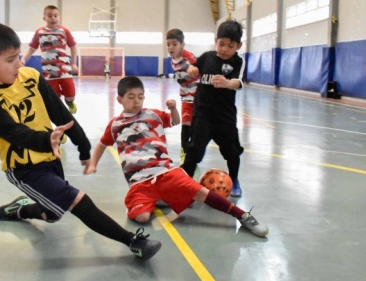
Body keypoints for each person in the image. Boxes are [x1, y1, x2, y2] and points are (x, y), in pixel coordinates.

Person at [0, 21, 161, 261]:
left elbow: (60, 113)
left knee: (53, 214)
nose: (19, 63)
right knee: (77, 200)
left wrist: (82, 144)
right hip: (23, 168)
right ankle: (133, 242)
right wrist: (45, 139)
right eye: (10, 60)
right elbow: (13, 132)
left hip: (50, 157)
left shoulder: (30, 76)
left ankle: (19, 209)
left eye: (19, 56)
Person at [84, 76, 268, 237]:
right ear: (119, 99)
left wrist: (173, 109)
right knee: (141, 218)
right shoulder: (115, 124)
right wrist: (93, 163)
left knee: (201, 192)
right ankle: (160, 197)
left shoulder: (153, 114)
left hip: (166, 171)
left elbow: (175, 121)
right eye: (131, 97)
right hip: (138, 182)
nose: (136, 102)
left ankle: (242, 215)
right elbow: (102, 144)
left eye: (140, 97)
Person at [180, 19, 245, 198]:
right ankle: (184, 181)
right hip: (203, 114)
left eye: (230, 46)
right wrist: (192, 69)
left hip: (225, 116)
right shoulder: (207, 56)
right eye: (221, 44)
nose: (224, 49)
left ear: (238, 45)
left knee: (232, 150)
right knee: (193, 149)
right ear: (216, 41)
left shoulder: (237, 62)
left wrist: (227, 83)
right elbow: (194, 66)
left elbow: (238, 82)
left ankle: (235, 179)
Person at [22, 5, 79, 114]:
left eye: (55, 15)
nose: (53, 18)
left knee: (70, 94)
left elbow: (73, 47)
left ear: (59, 17)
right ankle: (61, 116)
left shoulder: (64, 31)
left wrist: (73, 63)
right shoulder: (39, 32)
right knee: (54, 98)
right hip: (49, 72)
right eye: (50, 16)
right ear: (44, 18)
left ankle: (69, 102)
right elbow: (32, 48)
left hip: (64, 70)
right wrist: (24, 58)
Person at [166, 28, 199, 163]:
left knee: (195, 127)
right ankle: (184, 152)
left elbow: (195, 63)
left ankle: (193, 151)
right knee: (185, 124)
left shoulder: (187, 55)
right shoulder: (172, 61)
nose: (171, 47)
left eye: (175, 44)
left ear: (182, 45)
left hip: (198, 97)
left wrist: (193, 67)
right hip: (185, 97)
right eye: (168, 44)